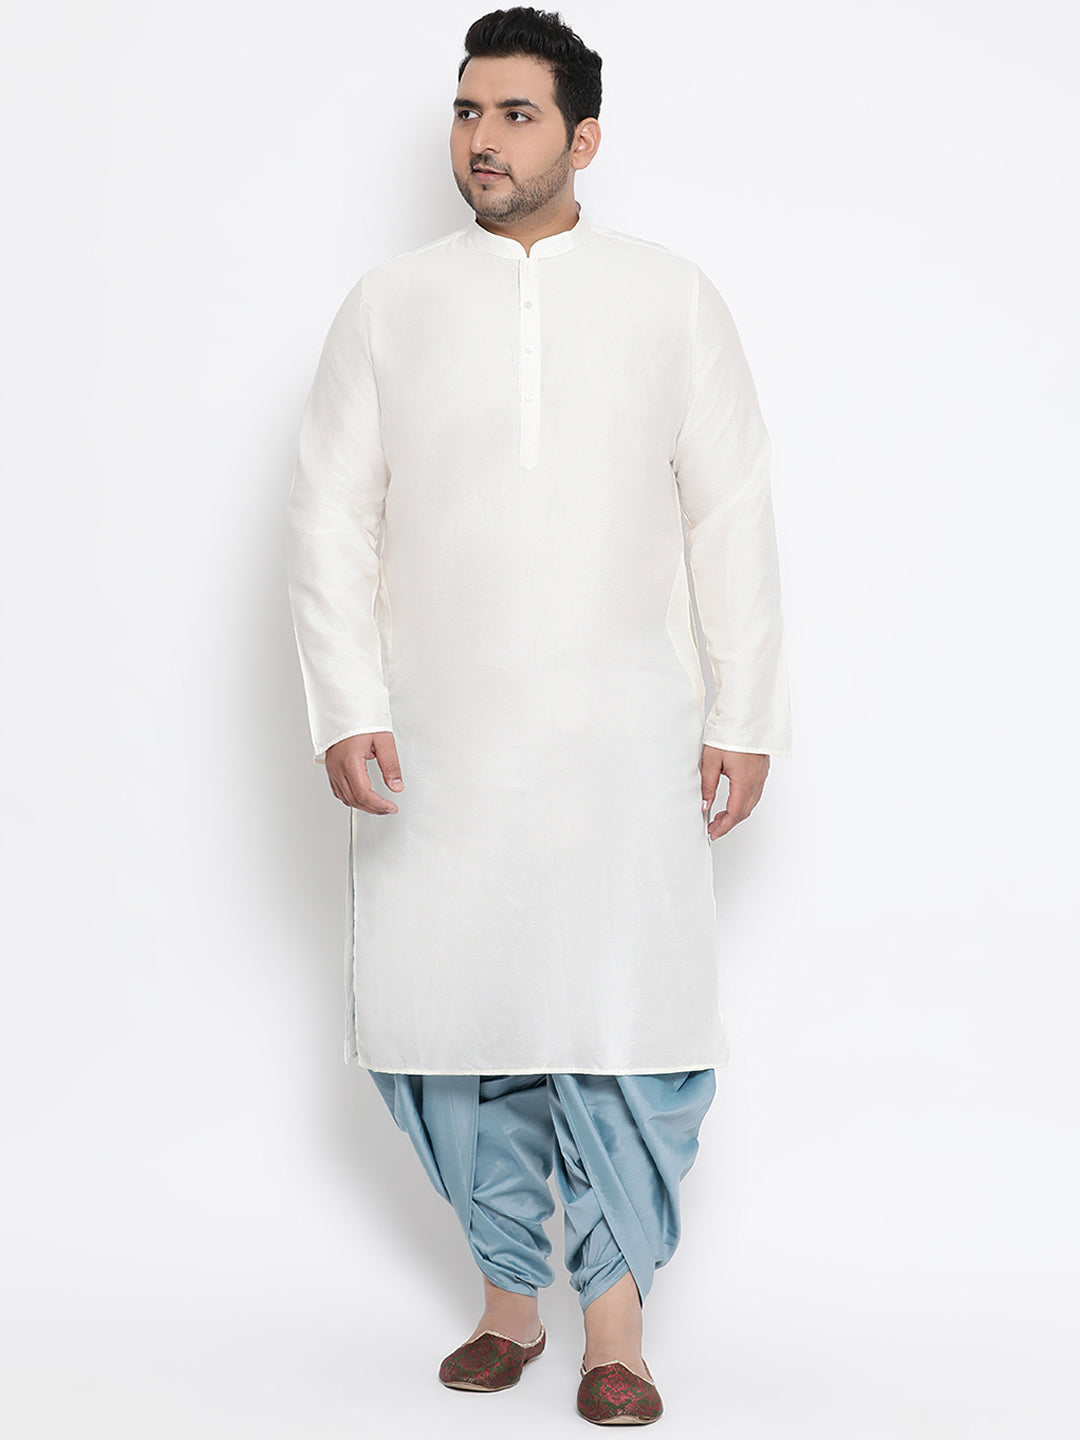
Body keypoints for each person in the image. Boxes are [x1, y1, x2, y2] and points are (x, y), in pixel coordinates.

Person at [285, 6, 792, 1425]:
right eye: (468, 111)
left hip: (627, 736)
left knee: (629, 1024)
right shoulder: (388, 304)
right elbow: (329, 516)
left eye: (515, 113)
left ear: (585, 135)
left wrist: (745, 711)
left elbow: (733, 515)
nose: (483, 139)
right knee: (447, 1026)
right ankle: (509, 1303)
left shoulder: (669, 297)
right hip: (436, 740)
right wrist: (346, 703)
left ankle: (615, 1328)